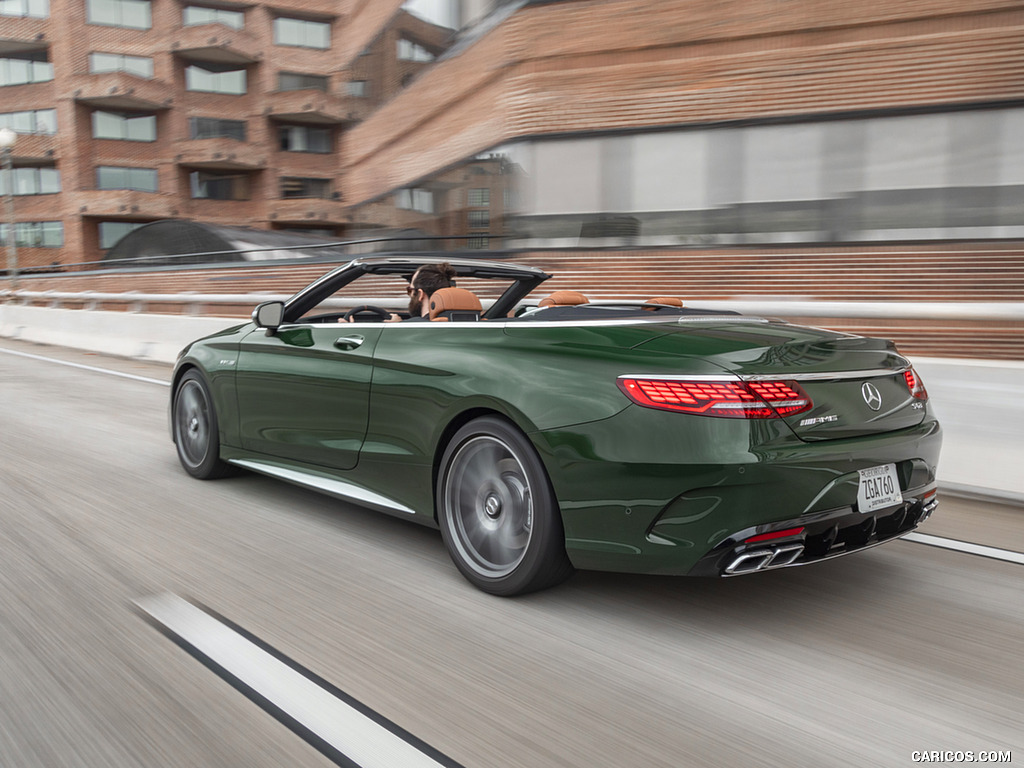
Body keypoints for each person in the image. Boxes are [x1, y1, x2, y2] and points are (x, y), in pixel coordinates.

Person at [391, 262, 457, 322]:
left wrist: (397, 324)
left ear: (420, 294)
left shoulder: (412, 326)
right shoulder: (460, 322)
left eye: (410, 290)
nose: (410, 295)